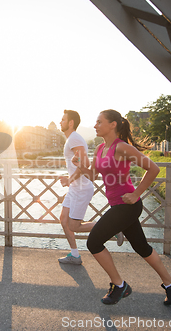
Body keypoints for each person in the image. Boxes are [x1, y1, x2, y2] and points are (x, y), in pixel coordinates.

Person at [73, 109, 171, 305]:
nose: (95, 125)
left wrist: (136, 193)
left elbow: (153, 168)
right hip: (118, 205)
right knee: (142, 247)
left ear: (112, 124)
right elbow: (93, 176)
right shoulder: (100, 149)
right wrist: (80, 166)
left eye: (99, 122)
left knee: (94, 242)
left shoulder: (121, 148)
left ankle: (119, 285)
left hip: (127, 206)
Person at [57, 110, 124, 265]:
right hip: (75, 188)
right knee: (64, 220)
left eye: (63, 119)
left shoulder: (74, 139)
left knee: (74, 225)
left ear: (71, 122)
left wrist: (69, 179)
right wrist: (70, 181)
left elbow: (85, 164)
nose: (60, 122)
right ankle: (75, 255)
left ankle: (112, 229)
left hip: (81, 188)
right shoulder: (72, 139)